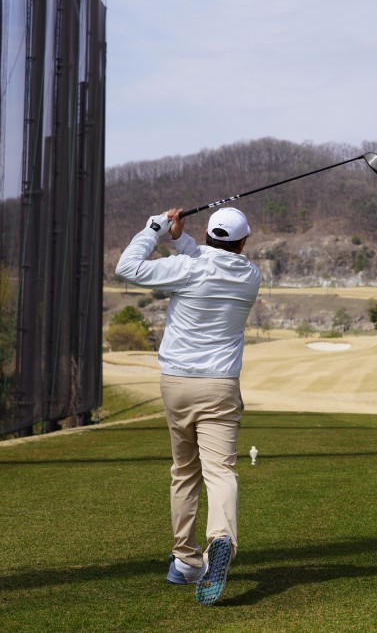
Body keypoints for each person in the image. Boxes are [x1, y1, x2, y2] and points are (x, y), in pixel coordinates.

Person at [115, 206, 261, 606]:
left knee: (184, 471)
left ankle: (185, 561)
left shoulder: (187, 269)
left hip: (176, 384)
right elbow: (212, 260)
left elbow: (126, 267)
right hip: (219, 387)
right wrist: (180, 239)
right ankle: (222, 541)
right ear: (243, 242)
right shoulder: (250, 276)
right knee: (220, 470)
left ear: (210, 237)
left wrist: (155, 229)